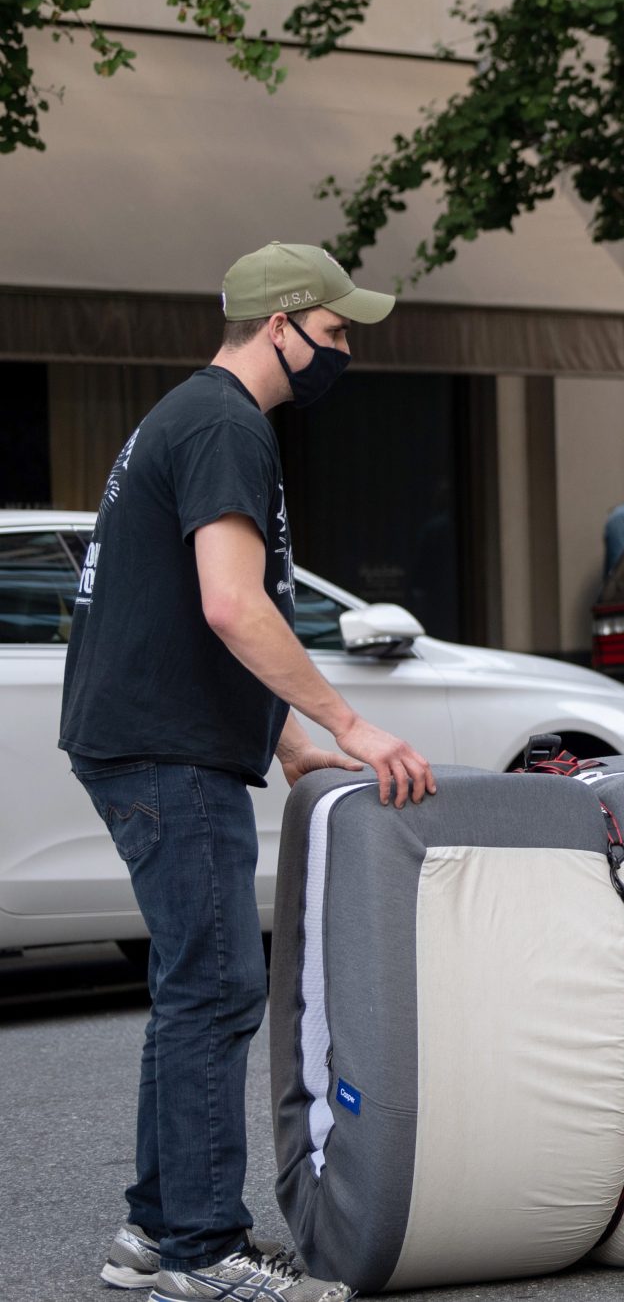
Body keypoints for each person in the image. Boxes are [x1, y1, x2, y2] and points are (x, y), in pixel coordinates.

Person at [60, 243, 439, 1301]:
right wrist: (352, 726)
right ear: (282, 323)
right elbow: (234, 603)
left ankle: (155, 1234)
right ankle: (201, 1251)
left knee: (195, 988)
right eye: (336, 330)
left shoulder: (188, 416)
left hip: (153, 735)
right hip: (164, 748)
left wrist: (287, 738)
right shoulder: (227, 424)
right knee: (219, 988)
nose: (344, 350)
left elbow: (192, 609)